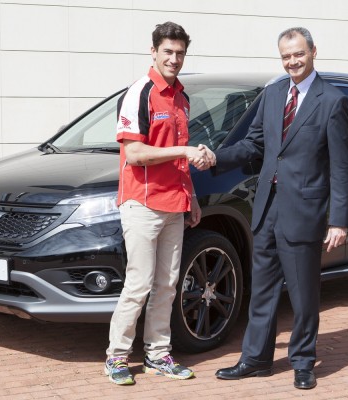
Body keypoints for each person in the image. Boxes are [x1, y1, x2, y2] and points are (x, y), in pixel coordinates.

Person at [210, 27, 348, 390]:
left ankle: (303, 362)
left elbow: (341, 167)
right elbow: (254, 143)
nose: (292, 62)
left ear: (313, 52)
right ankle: (255, 359)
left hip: (304, 212)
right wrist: (215, 157)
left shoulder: (331, 100)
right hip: (266, 209)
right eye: (286, 56)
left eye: (298, 54)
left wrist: (338, 220)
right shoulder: (274, 94)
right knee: (262, 290)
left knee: (304, 294)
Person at [104, 21, 210, 386]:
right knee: (139, 283)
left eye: (180, 53)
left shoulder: (182, 97)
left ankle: (157, 354)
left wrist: (192, 198)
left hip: (175, 204)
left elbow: (180, 161)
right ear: (154, 52)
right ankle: (117, 357)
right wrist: (184, 150)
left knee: (167, 284)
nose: (174, 59)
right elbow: (133, 153)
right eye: (168, 51)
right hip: (142, 204)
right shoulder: (140, 93)